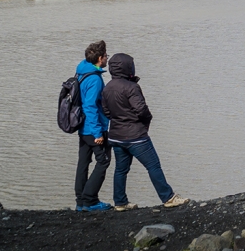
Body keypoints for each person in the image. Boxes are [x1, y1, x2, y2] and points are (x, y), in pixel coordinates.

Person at [101, 53, 189, 210]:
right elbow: (141, 110)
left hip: (116, 136)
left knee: (121, 170)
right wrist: (146, 120)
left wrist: (120, 119)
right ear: (128, 67)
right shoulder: (131, 87)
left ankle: (120, 202)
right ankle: (168, 197)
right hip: (136, 136)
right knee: (153, 166)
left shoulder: (107, 87)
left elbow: (106, 111)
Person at [74, 40, 112, 212]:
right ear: (99, 58)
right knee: (103, 161)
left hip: (82, 127)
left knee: (83, 162)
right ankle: (90, 201)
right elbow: (90, 106)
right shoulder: (95, 79)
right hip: (93, 129)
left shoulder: (81, 72)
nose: (107, 59)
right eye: (106, 56)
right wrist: (98, 133)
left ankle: (81, 201)